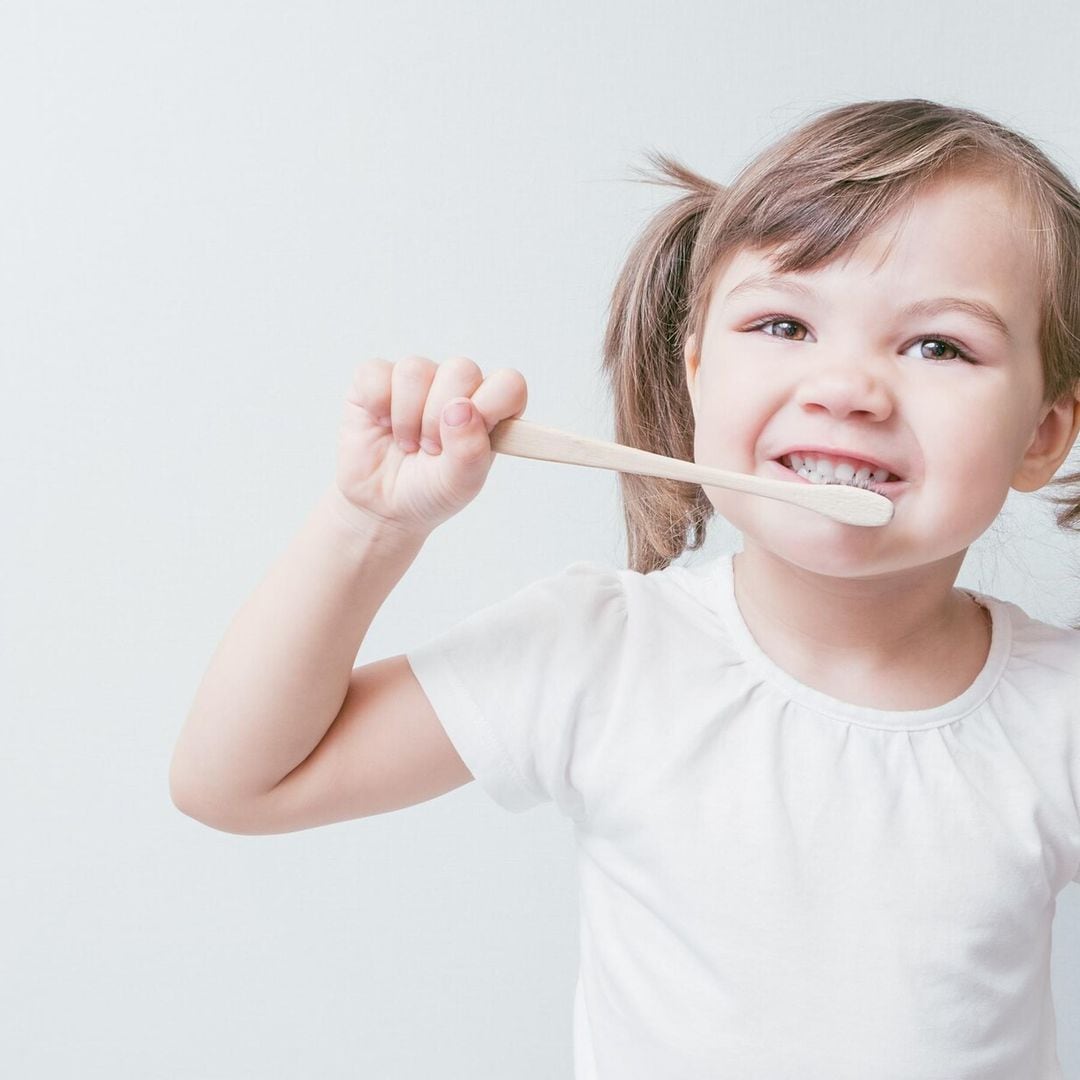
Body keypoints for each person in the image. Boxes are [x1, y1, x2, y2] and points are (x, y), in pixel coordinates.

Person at [169, 98, 1080, 1079]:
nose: (847, 388)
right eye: (784, 324)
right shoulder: (601, 652)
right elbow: (240, 781)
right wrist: (373, 525)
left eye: (937, 346)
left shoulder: (1057, 712)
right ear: (695, 375)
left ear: (1041, 434)